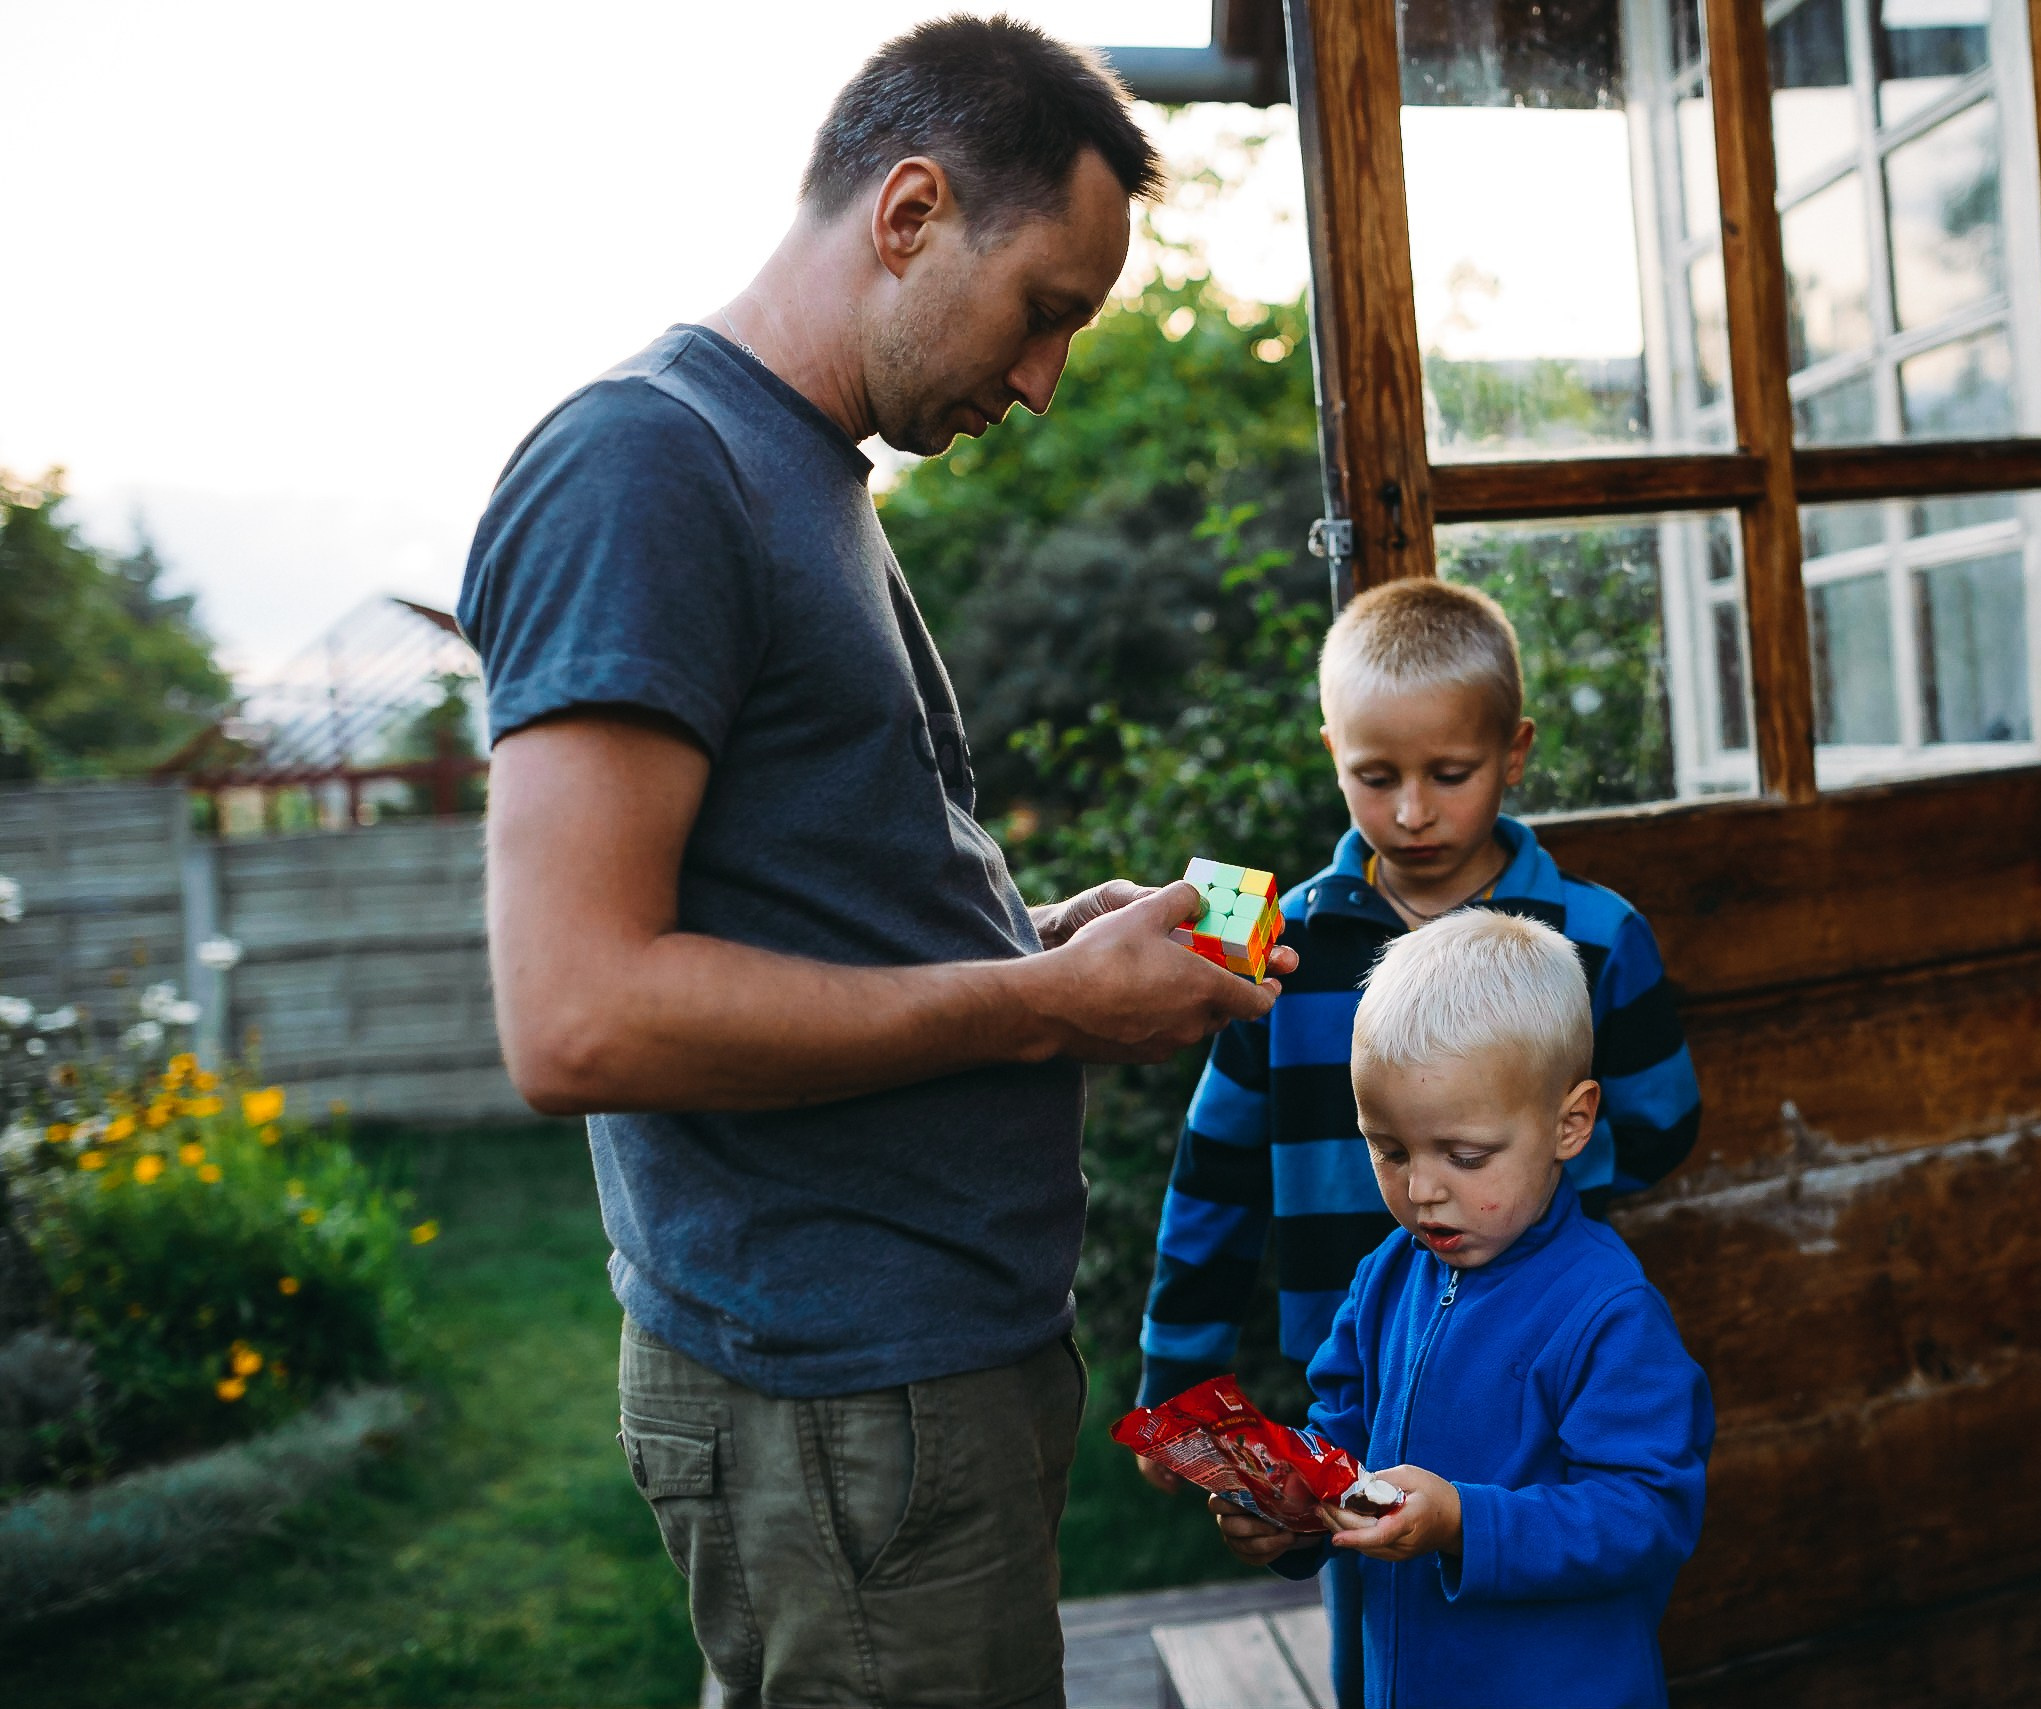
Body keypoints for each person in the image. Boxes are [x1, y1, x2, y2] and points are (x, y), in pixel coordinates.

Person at [456, 20, 1294, 1709]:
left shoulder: (800, 475)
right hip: (838, 1409)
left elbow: (814, 897)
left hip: (909, 1396)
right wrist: (1041, 1002)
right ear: (909, 212)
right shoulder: (647, 466)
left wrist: (1048, 935)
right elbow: (579, 1015)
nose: (1047, 377)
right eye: (1045, 306)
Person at [1132, 579, 1703, 1693]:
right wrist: (1179, 1371)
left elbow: (1661, 1122)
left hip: (1527, 1360)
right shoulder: (1274, 941)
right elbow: (1214, 1169)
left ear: (1514, 750)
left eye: (1449, 775)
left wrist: (1533, 1199)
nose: (1409, 814)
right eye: (1373, 776)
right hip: (1361, 1352)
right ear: (1331, 750)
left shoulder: (1594, 934)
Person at [1206, 910, 1715, 1709]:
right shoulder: (1386, 1275)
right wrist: (1291, 1511)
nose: (1422, 1190)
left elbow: (1647, 1512)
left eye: (1465, 1156)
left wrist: (1463, 1524)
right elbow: (1342, 1433)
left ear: (1569, 1122)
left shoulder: (1608, 1311)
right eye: (1390, 1148)